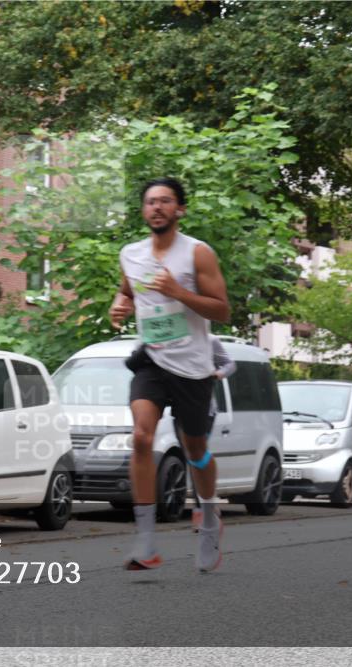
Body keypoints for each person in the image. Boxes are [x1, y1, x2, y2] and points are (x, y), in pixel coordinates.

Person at [110, 177, 231, 573]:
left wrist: (179, 292)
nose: (156, 207)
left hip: (194, 366)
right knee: (141, 436)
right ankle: (145, 541)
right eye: (150, 202)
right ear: (144, 211)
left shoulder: (198, 254)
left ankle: (210, 517)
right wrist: (120, 306)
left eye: (165, 201)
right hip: (152, 360)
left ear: (180, 209)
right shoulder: (131, 254)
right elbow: (128, 291)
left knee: (194, 447)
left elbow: (221, 310)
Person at [191, 335, 236, 532]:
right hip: (179, 407)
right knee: (190, 458)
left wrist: (217, 374)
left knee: (196, 457)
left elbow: (230, 364)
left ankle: (203, 511)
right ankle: (206, 507)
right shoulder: (170, 338)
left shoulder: (209, 340)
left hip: (205, 408)